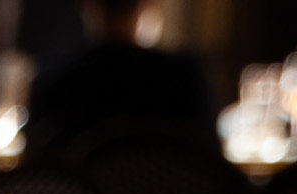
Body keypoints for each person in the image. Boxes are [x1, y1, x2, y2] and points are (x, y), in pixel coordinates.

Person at [25, 0, 215, 151]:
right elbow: (211, 162)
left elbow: (37, 170)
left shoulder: (53, 81)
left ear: (87, 4)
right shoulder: (184, 77)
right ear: (149, 4)